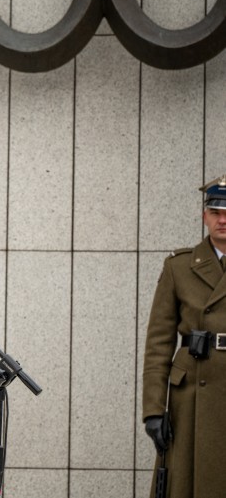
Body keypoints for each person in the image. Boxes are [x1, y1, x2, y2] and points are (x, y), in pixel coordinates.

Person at [142, 173, 226, 498]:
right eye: (216, 212)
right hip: (191, 397)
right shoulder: (180, 267)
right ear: (205, 216)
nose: (223, 220)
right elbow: (158, 344)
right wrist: (152, 409)